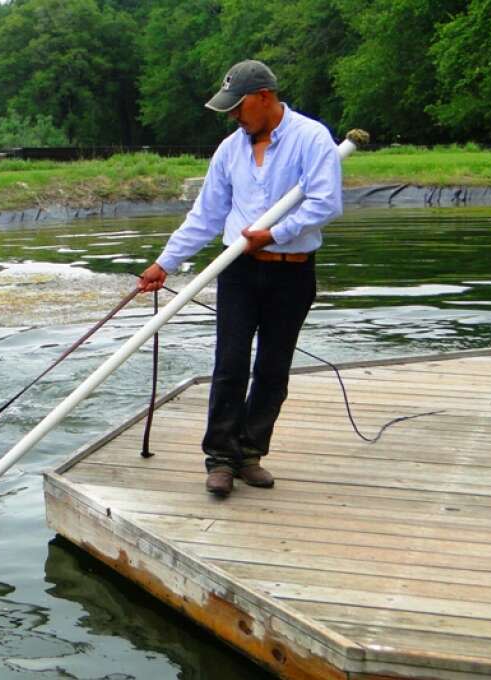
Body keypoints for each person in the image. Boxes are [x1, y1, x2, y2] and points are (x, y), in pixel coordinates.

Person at [137, 60, 343, 498]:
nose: (234, 117)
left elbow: (326, 203)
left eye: (238, 107)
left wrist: (275, 233)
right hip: (239, 271)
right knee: (230, 363)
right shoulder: (230, 150)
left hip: (292, 272)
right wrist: (164, 263)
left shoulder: (311, 138)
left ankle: (250, 453)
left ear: (264, 97)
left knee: (273, 368)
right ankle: (220, 459)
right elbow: (206, 215)